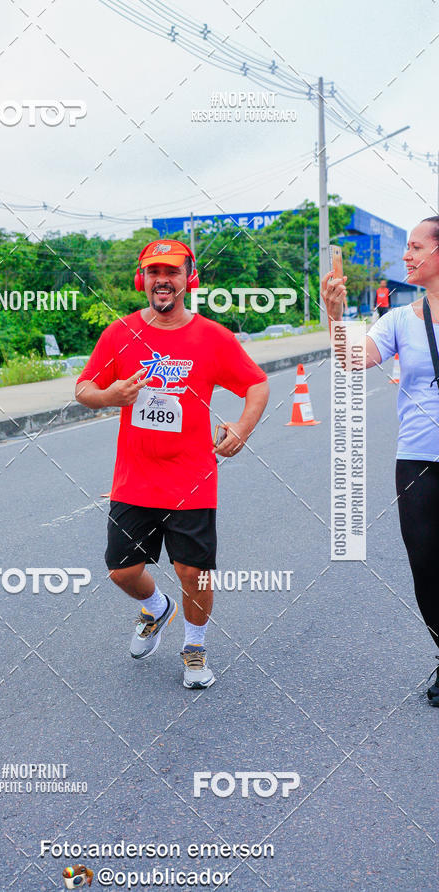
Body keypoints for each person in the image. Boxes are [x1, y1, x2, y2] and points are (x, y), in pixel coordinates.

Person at [75, 239, 269, 689]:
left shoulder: (212, 337)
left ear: (189, 279)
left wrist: (241, 428)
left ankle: (195, 648)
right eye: (154, 271)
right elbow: (83, 388)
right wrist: (111, 396)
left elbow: (257, 385)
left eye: (173, 271)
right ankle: (158, 607)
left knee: (193, 572)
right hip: (134, 479)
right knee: (121, 570)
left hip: (191, 478)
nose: (163, 279)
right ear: (142, 280)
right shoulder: (119, 333)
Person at [322, 217, 439, 706]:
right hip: (418, 462)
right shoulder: (399, 320)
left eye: (415, 247)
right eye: (406, 247)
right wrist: (334, 315)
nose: (406, 256)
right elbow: (354, 358)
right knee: (427, 565)